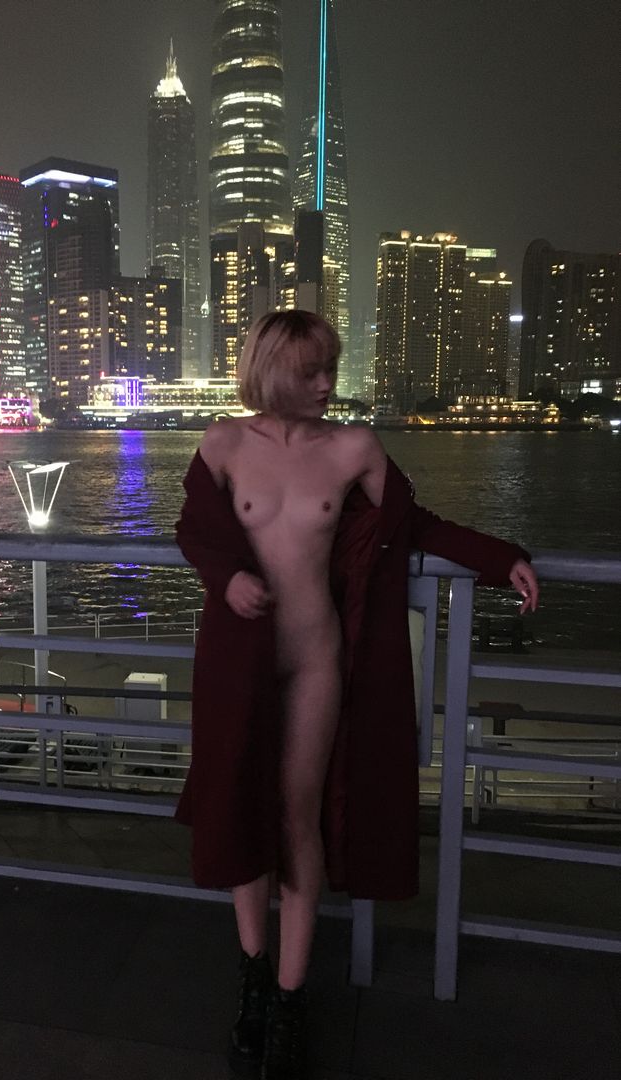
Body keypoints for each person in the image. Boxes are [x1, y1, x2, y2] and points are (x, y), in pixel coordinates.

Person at [175, 311, 538, 1080]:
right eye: (310, 370)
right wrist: (227, 576)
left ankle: (289, 997)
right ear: (272, 370)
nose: (326, 383)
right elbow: (195, 532)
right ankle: (252, 977)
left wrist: (498, 558)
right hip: (237, 662)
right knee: (240, 807)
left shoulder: (353, 448)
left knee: (295, 814)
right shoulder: (223, 443)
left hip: (316, 661)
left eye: (330, 367)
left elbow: (415, 525)